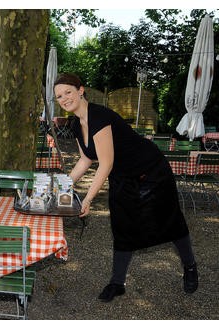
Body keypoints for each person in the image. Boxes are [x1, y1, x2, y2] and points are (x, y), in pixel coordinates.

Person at [53, 73, 198, 302]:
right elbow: (85, 160)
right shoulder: (75, 124)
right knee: (122, 226)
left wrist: (87, 199)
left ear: (81, 90)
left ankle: (190, 267)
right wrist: (60, 188)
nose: (64, 99)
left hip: (151, 171)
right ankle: (117, 282)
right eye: (59, 96)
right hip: (122, 177)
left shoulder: (99, 116)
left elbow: (106, 162)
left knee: (170, 221)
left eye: (68, 92)